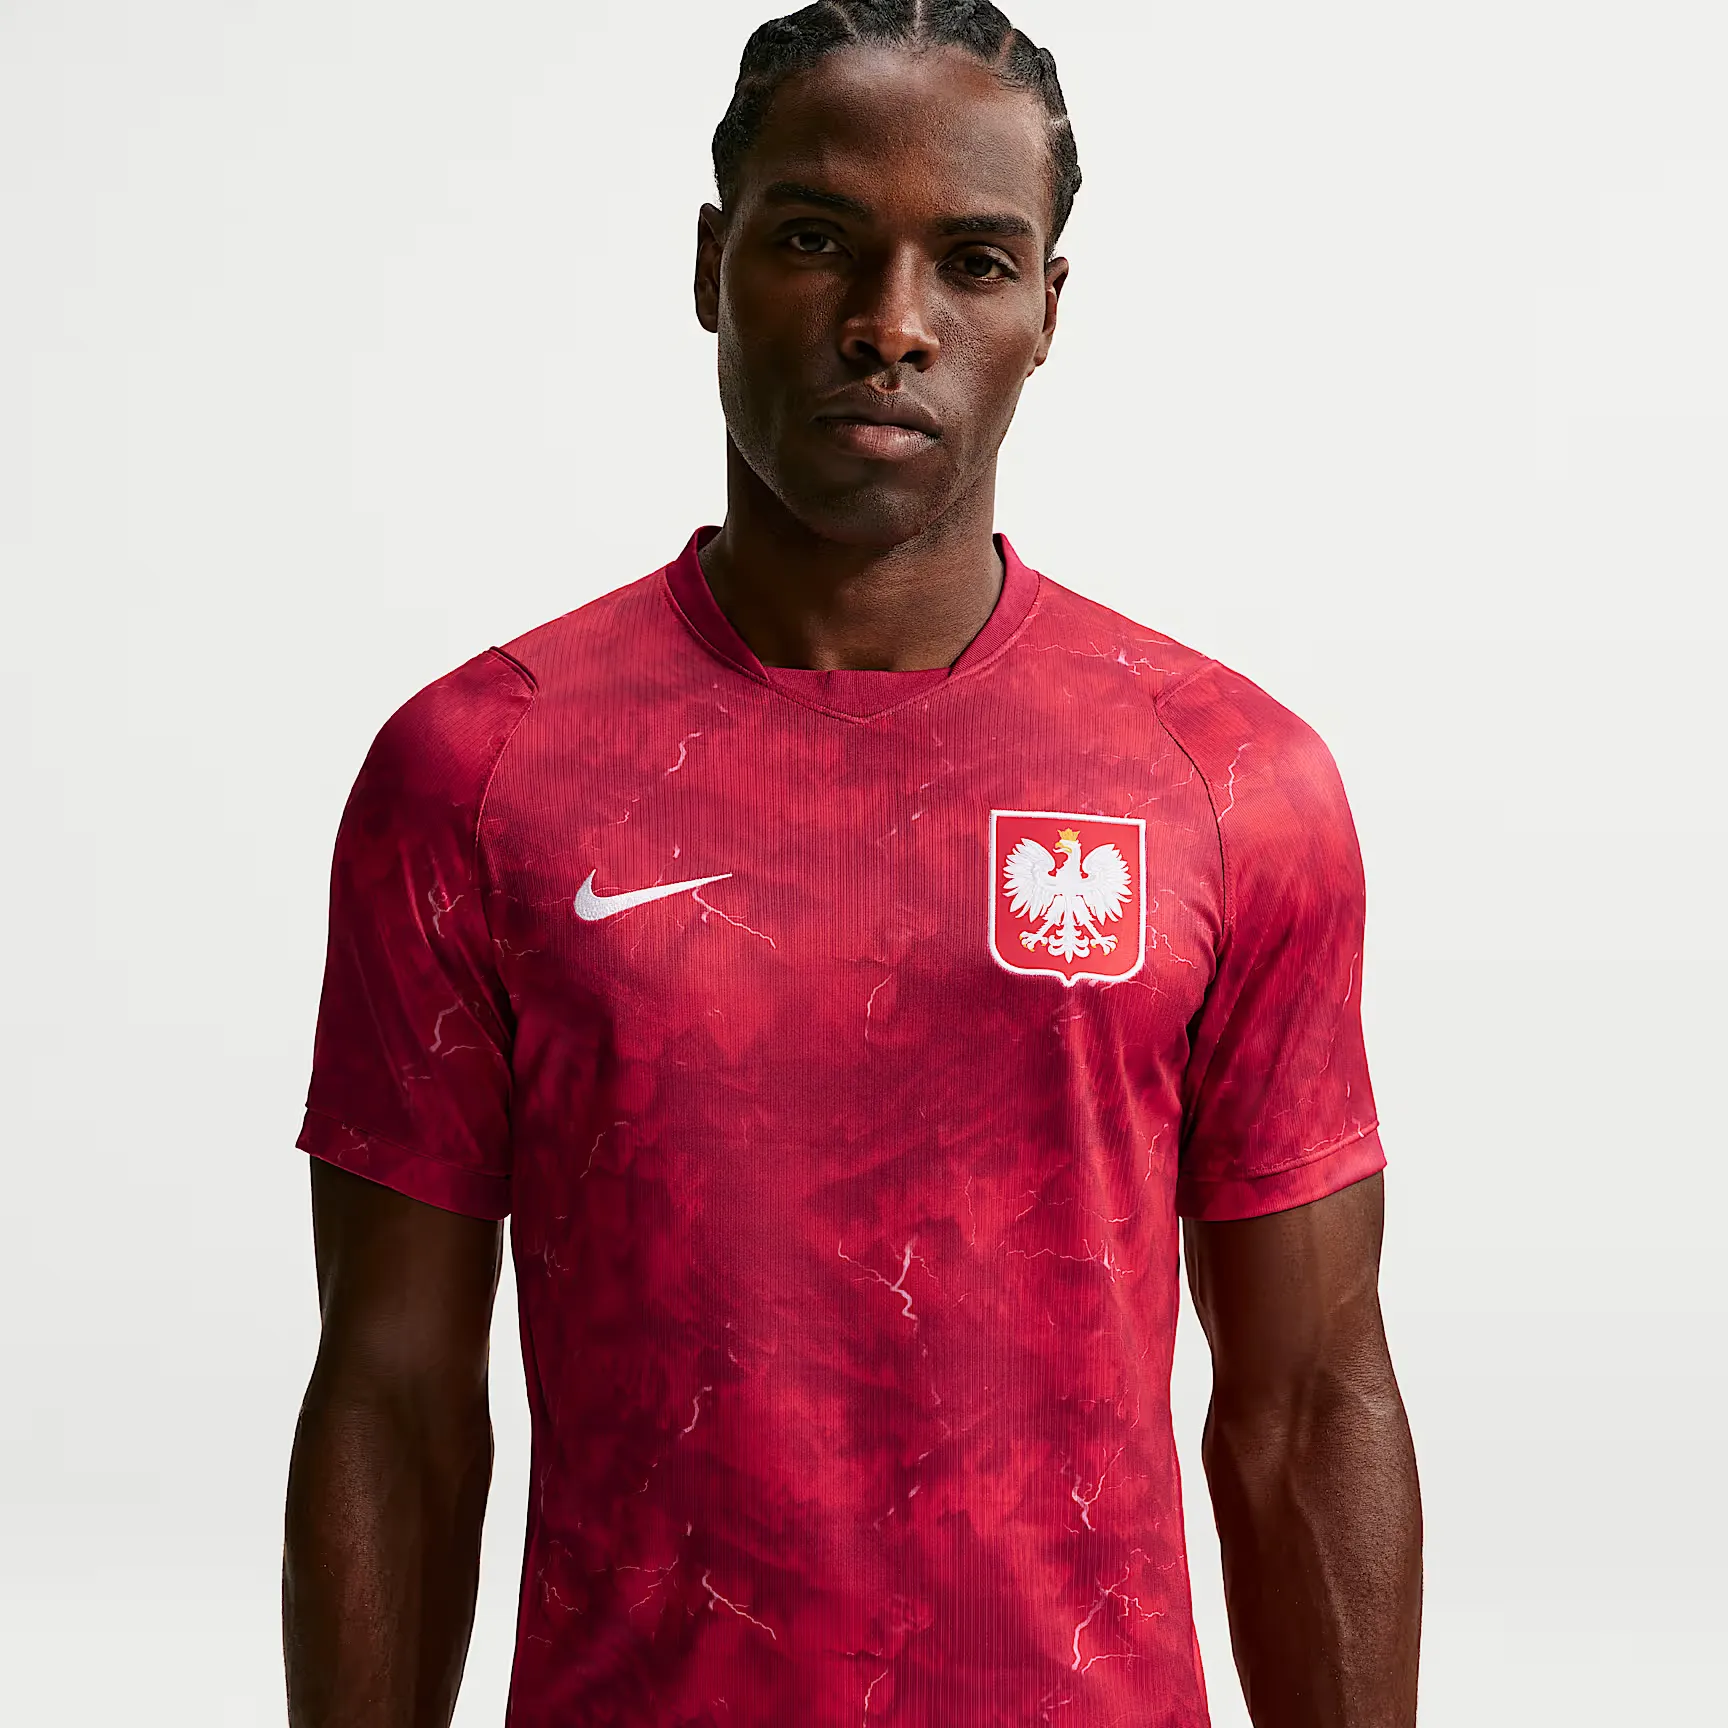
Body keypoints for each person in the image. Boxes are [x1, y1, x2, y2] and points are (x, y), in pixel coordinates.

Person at [282, 4, 1422, 1724]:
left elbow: (1310, 1398)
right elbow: (395, 1399)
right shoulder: (479, 770)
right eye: (817, 240)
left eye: (973, 262)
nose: (892, 324)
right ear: (710, 267)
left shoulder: (1231, 782)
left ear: (1047, 311)